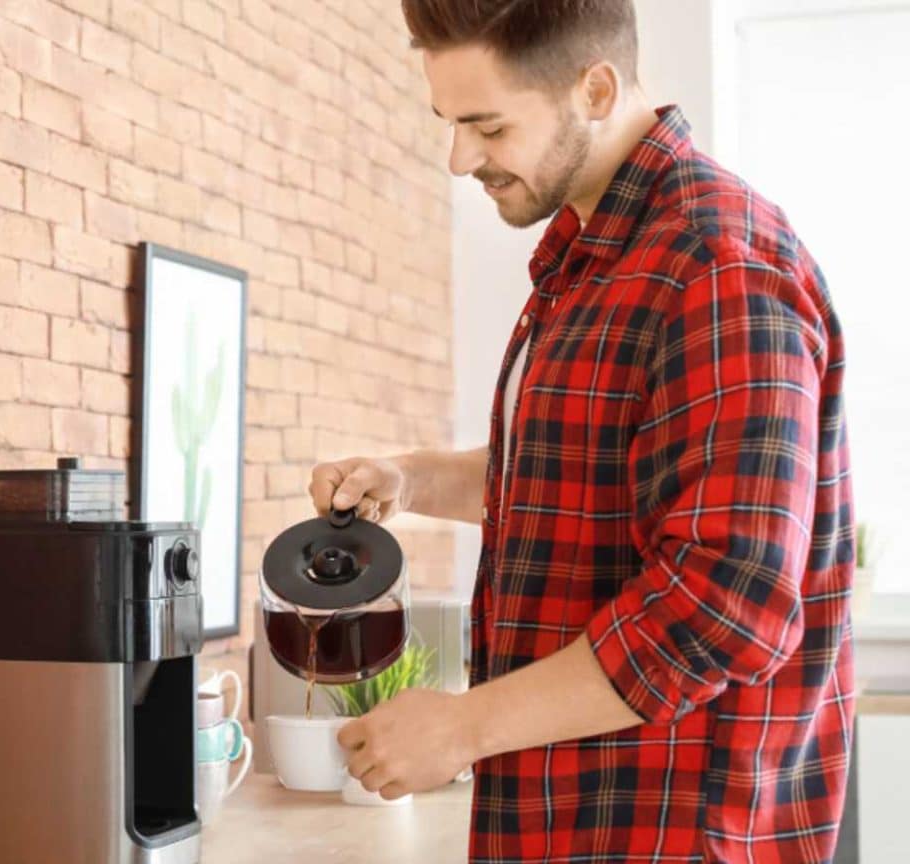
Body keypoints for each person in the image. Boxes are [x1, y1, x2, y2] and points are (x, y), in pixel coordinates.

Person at [307, 1, 855, 861]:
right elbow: (592, 471)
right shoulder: (594, 255)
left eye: (487, 126)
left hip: (671, 834)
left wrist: (462, 728)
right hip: (567, 824)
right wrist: (414, 480)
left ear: (595, 88)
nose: (461, 160)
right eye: (450, 124)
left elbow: (725, 605)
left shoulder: (719, 265)